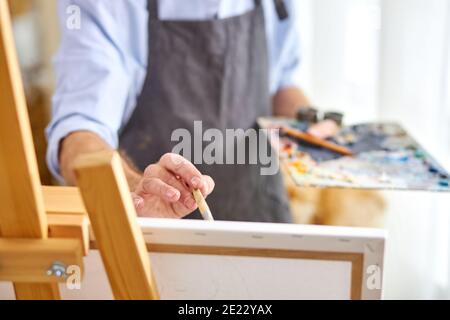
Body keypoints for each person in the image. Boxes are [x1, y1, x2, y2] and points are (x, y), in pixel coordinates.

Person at [46, 0, 336, 222]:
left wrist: (309, 123)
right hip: (156, 238)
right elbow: (78, 136)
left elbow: (280, 83)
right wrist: (136, 190)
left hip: (261, 215)